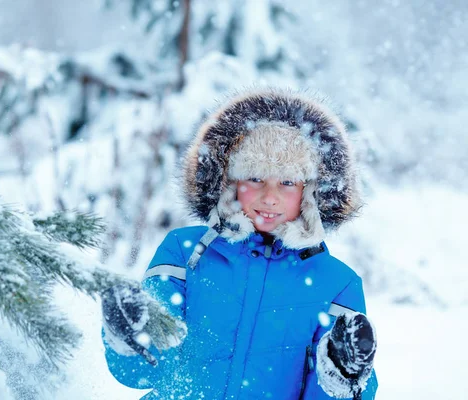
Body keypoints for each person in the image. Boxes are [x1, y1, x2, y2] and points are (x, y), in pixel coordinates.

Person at [101, 88, 378, 399]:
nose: (270, 196)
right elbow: (142, 371)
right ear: (229, 181)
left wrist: (342, 374)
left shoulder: (336, 283)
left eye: (287, 182)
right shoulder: (184, 251)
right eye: (255, 178)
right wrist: (129, 331)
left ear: (311, 191)